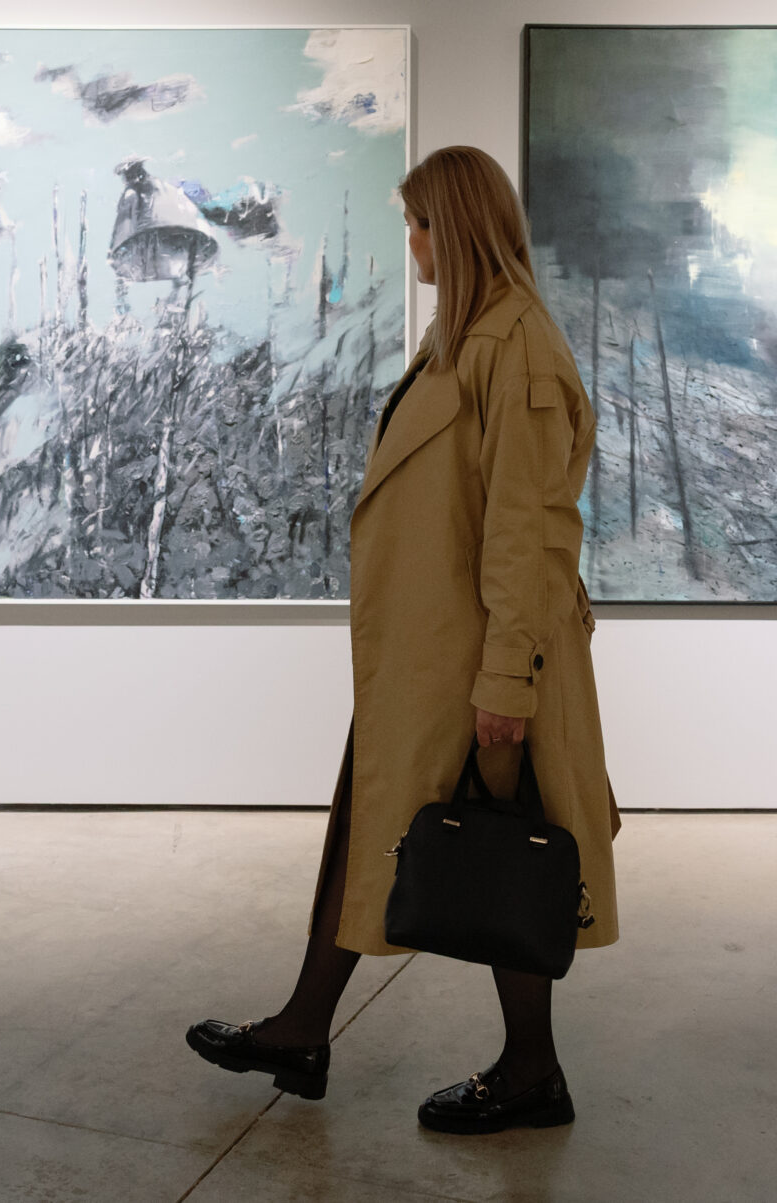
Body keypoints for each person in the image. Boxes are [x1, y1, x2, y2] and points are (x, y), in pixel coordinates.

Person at [187, 145, 620, 1134]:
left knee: (508, 852)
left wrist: (504, 681)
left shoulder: (516, 350)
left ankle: (528, 1071)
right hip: (430, 655)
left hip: (478, 660)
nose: (412, 242)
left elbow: (529, 531)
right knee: (375, 827)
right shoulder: (464, 337)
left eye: (419, 224)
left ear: (454, 229)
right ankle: (305, 1028)